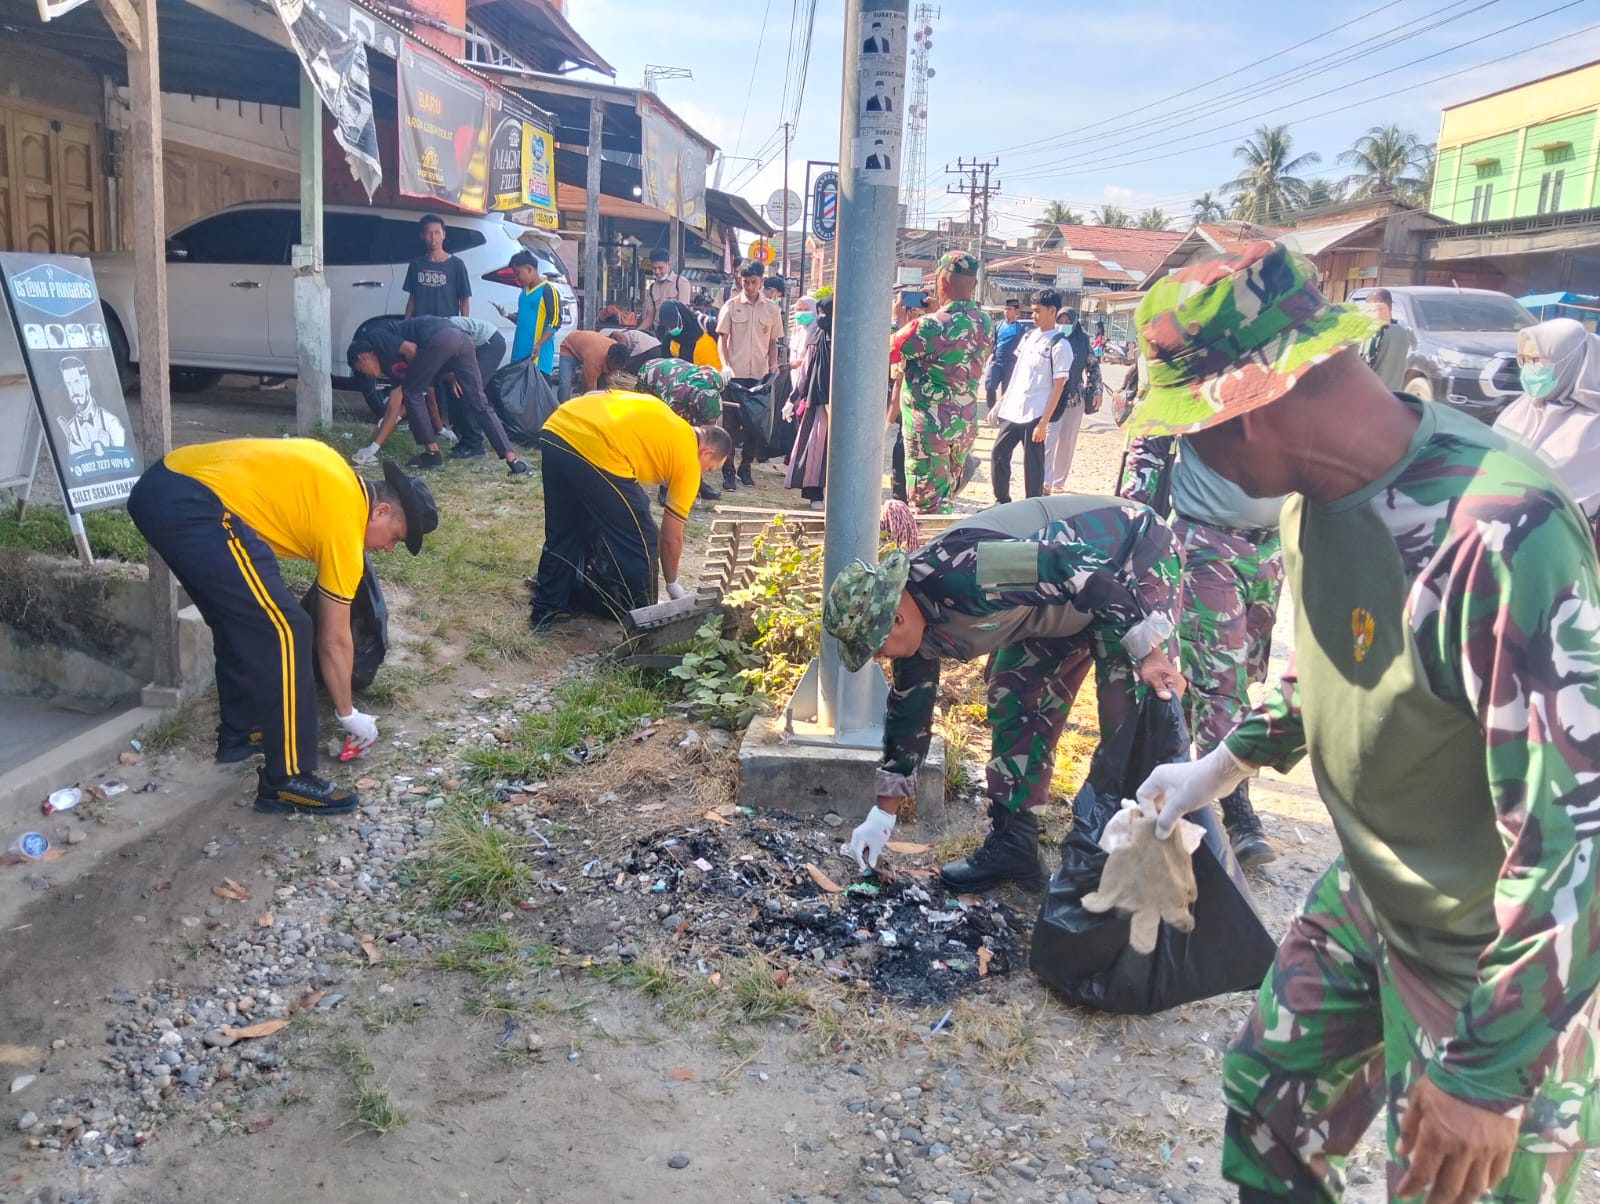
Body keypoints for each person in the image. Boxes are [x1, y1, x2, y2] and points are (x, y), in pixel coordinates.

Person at [1129, 240, 1600, 1204]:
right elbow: (1333, 668)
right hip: (1376, 894)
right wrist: (1219, 766)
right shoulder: (1319, 501)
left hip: (1488, 951)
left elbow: (1577, 835)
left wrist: (1485, 1075)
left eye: (1190, 426)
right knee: (1270, 1105)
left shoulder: (1502, 534)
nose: (1188, 453)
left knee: (1445, 1182)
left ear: (1249, 411)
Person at [823, 496, 1185, 892]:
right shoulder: (915, 632)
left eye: (876, 647)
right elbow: (909, 712)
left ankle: (1131, 864)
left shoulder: (972, 570)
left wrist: (1149, 652)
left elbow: (1078, 568)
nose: (878, 658)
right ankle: (1014, 845)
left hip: (1125, 562)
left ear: (897, 618)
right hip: (1054, 605)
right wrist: (882, 815)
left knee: (1127, 711)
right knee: (1013, 694)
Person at [127, 440, 437, 813]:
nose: (388, 549)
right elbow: (334, 639)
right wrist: (347, 712)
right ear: (382, 511)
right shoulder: (345, 523)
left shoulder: (338, 477)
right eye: (396, 537)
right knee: (288, 629)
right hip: (195, 504)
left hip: (161, 488)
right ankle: (287, 779)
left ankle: (241, 732)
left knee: (240, 619)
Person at [1116, 423, 1285, 869]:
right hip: (1208, 543)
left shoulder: (1287, 364)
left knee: (1237, 674)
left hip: (1270, 550)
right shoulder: (1201, 358)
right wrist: (1134, 528)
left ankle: (1184, 786)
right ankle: (1237, 813)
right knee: (1221, 683)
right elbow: (1149, 442)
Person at [528, 392, 732, 628]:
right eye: (709, 469)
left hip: (558, 427)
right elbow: (670, 538)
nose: (703, 474)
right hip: (596, 447)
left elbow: (598, 394)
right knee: (642, 540)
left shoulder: (666, 415)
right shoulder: (688, 460)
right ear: (706, 453)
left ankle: (547, 607)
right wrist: (673, 585)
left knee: (566, 528)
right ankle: (645, 622)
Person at [346, 317, 532, 477]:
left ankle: (432, 454)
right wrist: (373, 448)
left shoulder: (376, 337)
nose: (368, 375)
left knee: (413, 392)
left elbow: (411, 350)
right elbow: (394, 408)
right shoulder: (391, 369)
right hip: (461, 340)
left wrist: (421, 379)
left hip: (443, 337)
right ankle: (514, 462)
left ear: (362, 358)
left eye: (362, 370)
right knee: (479, 402)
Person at [893, 251, 993, 514]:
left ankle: (929, 554)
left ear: (941, 283)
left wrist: (897, 320)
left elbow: (888, 350)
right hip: (963, 423)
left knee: (926, 507)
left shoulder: (927, 326)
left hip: (929, 427)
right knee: (946, 496)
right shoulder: (985, 322)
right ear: (973, 284)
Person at [1494, 317, 1600, 548]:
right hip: (1497, 532)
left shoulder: (1593, 427)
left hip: (1559, 545)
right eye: (1524, 359)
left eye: (1537, 360)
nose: (1528, 368)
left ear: (1569, 362)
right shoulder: (1521, 409)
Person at [990, 289, 1072, 505]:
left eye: (1037, 311)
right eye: (1032, 311)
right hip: (1013, 409)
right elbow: (1019, 373)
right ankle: (1002, 501)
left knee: (1033, 464)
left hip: (1036, 412)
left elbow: (1058, 387)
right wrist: (1001, 401)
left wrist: (1044, 423)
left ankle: (1032, 506)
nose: (1033, 316)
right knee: (999, 453)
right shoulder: (1029, 336)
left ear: (1052, 310)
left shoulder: (1060, 345)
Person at [716, 262, 781, 491]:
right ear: (739, 280)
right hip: (734, 376)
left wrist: (773, 364)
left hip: (759, 377)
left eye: (754, 282)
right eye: (746, 282)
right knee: (730, 426)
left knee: (755, 425)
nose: (750, 287)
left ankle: (746, 468)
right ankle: (729, 471)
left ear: (762, 280)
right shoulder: (731, 306)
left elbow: (773, 342)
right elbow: (722, 340)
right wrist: (724, 365)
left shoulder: (772, 310)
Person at [785, 296, 833, 509]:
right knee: (816, 449)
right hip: (820, 400)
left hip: (845, 406)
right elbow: (806, 370)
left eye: (825, 313)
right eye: (819, 313)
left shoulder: (851, 339)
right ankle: (816, 495)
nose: (821, 318)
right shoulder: (817, 336)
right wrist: (792, 399)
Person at [1040, 307, 1092, 493]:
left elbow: (1092, 366)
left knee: (1067, 442)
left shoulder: (1083, 341)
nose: (1063, 325)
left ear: (1075, 322)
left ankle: (1059, 482)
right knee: (1048, 438)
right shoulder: (1052, 339)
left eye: (1068, 322)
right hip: (1052, 397)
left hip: (1074, 399)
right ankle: (1045, 479)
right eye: (1060, 321)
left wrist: (1097, 391)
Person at [494, 252, 561, 391]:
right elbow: (523, 319)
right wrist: (507, 315)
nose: (517, 278)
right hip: (520, 353)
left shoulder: (548, 290)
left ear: (529, 269)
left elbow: (555, 321)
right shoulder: (524, 291)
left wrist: (539, 344)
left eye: (518, 273)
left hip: (538, 356)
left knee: (539, 399)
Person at [403, 214, 471, 320]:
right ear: (422, 236)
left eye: (437, 233)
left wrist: (464, 326)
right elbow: (413, 298)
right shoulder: (416, 264)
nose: (433, 237)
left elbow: (464, 299)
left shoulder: (457, 264)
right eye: (429, 233)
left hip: (447, 327)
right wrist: (405, 323)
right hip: (421, 325)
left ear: (444, 234)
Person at [983, 297, 1026, 414]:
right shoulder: (998, 325)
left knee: (1007, 391)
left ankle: (1003, 414)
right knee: (990, 387)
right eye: (1005, 309)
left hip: (1011, 363)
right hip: (996, 361)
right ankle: (991, 410)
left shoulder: (1021, 328)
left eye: (1009, 309)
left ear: (1017, 311)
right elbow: (991, 344)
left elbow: (1023, 349)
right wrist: (984, 360)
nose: (1006, 312)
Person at [559, 328, 630, 398]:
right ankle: (564, 406)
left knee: (602, 384)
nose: (616, 370)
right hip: (569, 348)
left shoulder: (617, 348)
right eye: (615, 368)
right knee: (565, 384)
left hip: (586, 348)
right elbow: (591, 392)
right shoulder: (594, 362)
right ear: (608, 358)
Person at [640, 248, 692, 334]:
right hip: (658, 333)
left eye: (660, 268)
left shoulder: (681, 282)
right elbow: (649, 317)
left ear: (668, 264)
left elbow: (683, 313)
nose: (657, 271)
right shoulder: (652, 288)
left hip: (677, 332)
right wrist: (635, 333)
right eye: (654, 268)